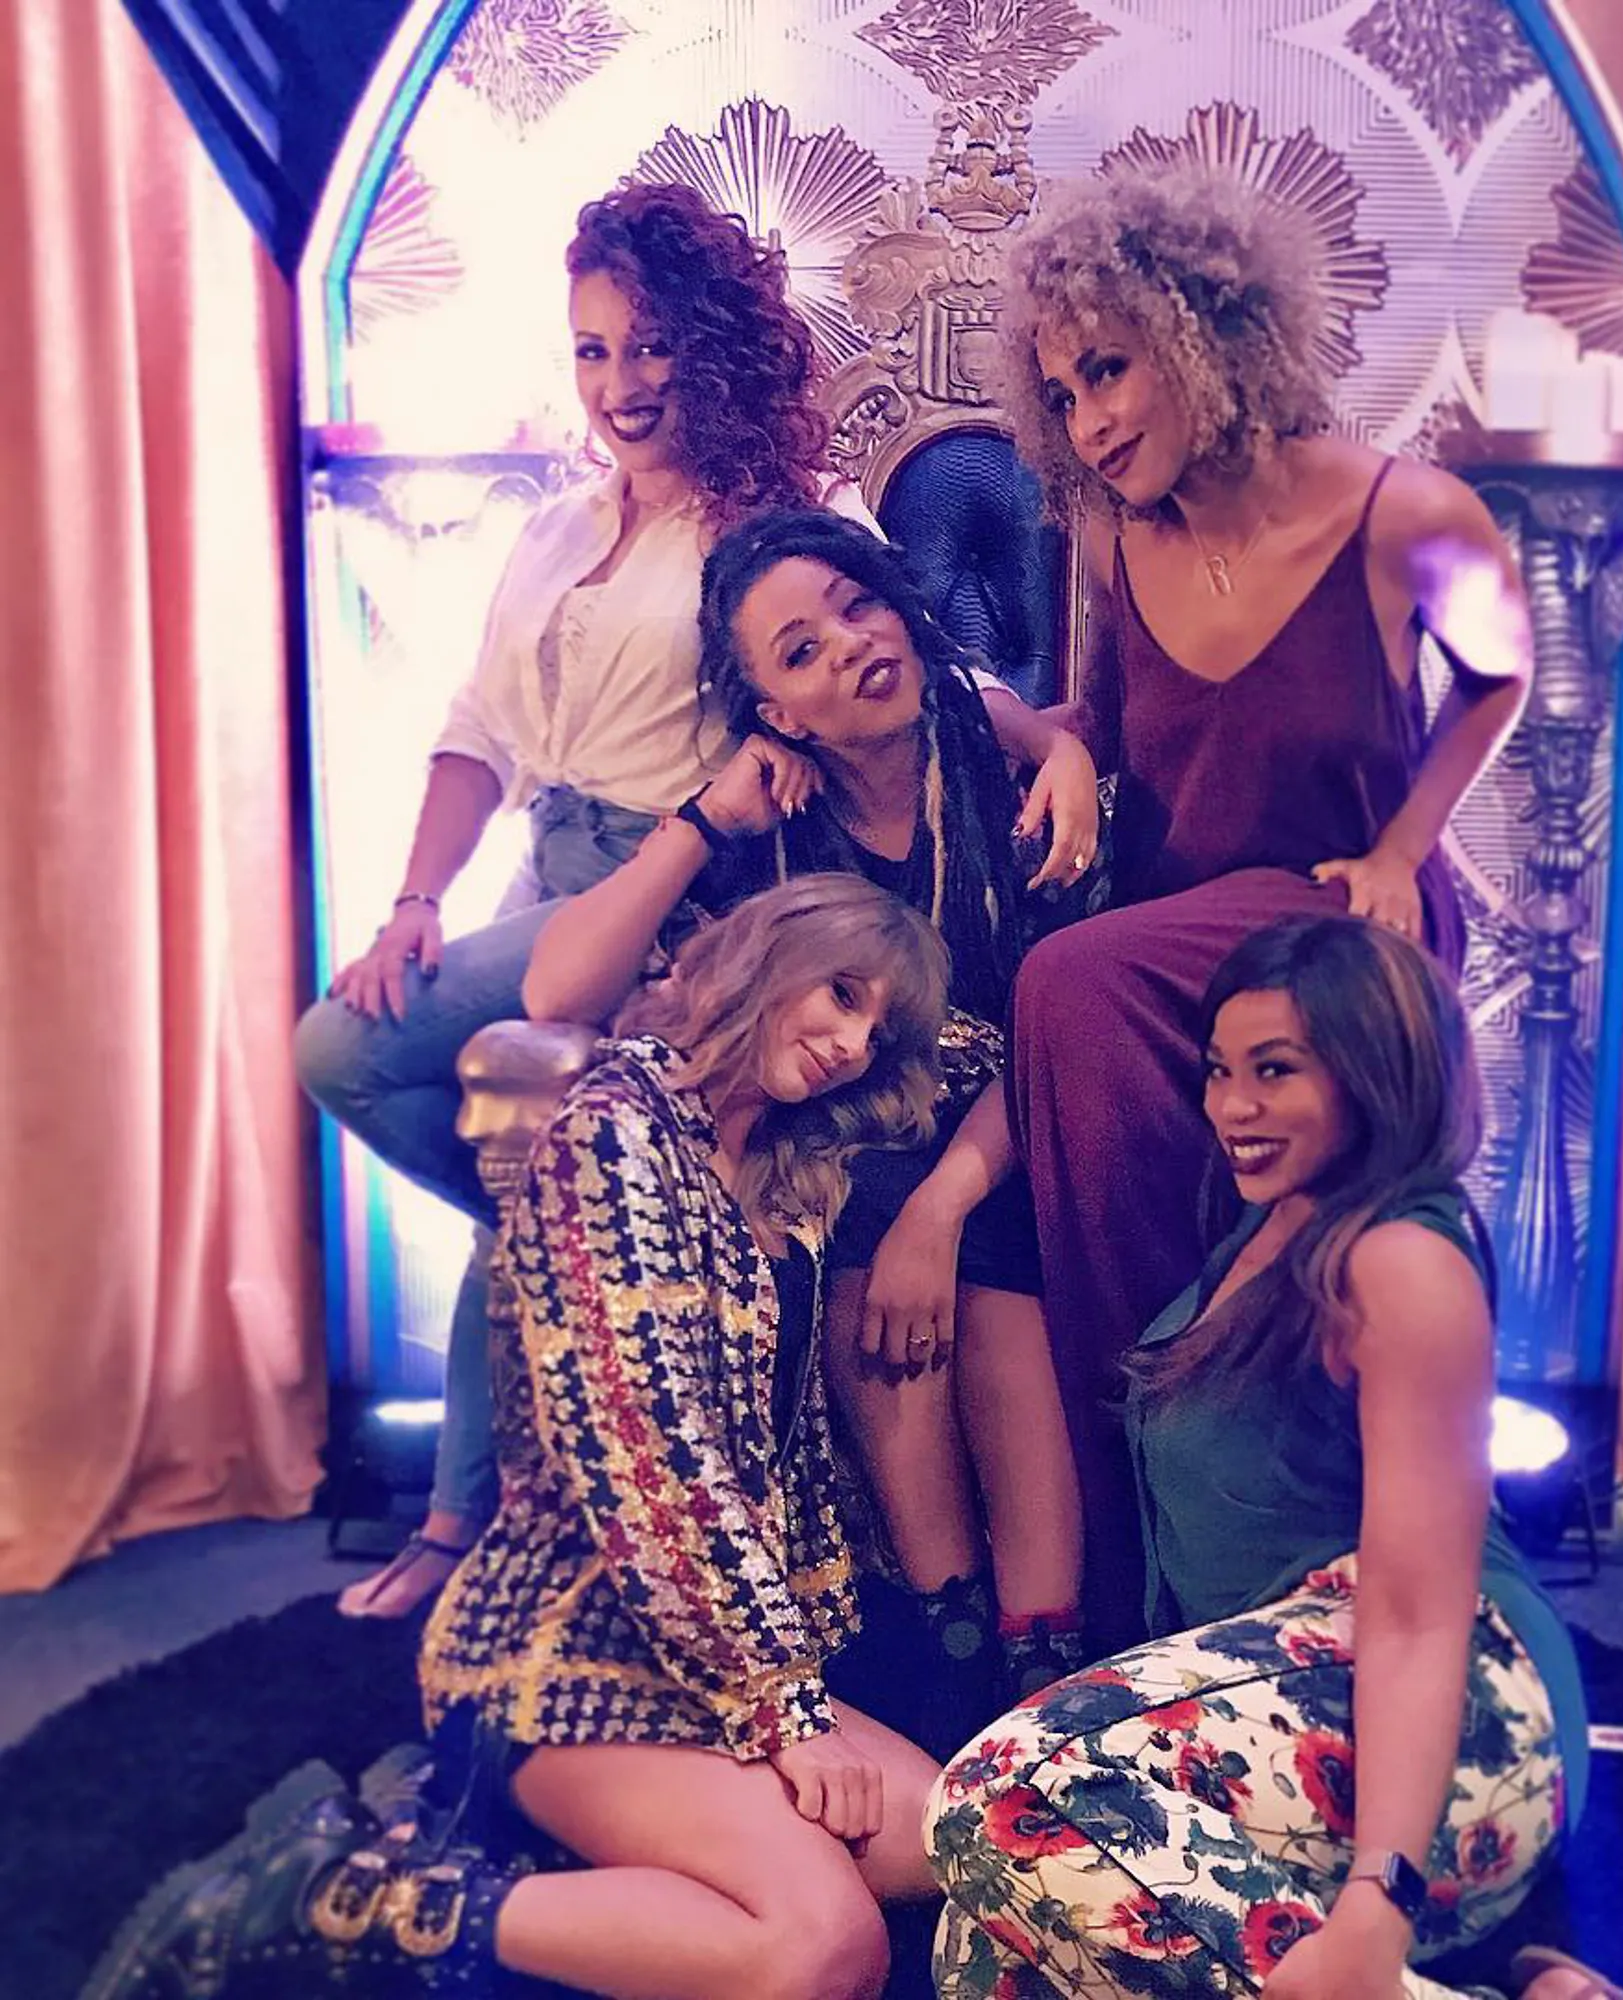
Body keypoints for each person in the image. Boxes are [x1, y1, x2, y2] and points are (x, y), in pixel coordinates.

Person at [297, 186, 1096, 1620]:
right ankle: (511, 1391)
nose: (620, 385)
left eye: (651, 347)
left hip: (681, 887)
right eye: (594, 351)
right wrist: (414, 898)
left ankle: (461, 1512)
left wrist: (1059, 736)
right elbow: (478, 725)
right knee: (429, 1096)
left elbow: (902, 670)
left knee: (485, 1111)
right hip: (555, 871)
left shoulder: (791, 516)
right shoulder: (557, 525)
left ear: (716, 347)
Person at [89, 875, 957, 2000]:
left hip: (702, 1658)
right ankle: (337, 1886)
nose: (848, 1041)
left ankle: (550, 1865)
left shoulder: (788, 1170)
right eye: (839, 992)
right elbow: (658, 1458)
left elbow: (979, 1049)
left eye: (876, 1030)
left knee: (944, 1838)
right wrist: (786, 1706)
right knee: (821, 1947)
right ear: (764, 958)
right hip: (561, 1641)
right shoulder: (611, 1135)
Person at [993, 162, 1535, 1643]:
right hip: (1186, 926)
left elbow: (1501, 674)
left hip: (1343, 917)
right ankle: (1140, 1495)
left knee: (1072, 988)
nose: (1092, 418)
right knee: (1073, 995)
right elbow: (1095, 711)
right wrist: (1077, 761)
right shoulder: (1112, 535)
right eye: (1066, 391)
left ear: (1208, 333)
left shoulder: (1403, 513)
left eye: (1111, 368)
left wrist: (1406, 847)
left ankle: (1198, 1464)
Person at [925, 915, 1613, 2000]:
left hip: (1457, 1717)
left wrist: (1377, 1898)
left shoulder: (1400, 1261)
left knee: (1000, 1796)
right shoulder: (1257, 1227)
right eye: (1217, 1072)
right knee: (981, 1950)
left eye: (1274, 1071)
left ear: (1372, 1071)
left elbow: (1415, 1612)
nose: (1230, 1107)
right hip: (1291, 1697)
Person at [523, 507, 1090, 1740]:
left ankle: (1041, 1652)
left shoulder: (995, 755)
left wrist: (1071, 749)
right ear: (776, 709)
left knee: (968, 1221)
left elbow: (1059, 1030)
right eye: (797, 651)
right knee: (862, 1198)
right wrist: (701, 819)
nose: (844, 645)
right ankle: (944, 1617)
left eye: (853, 603)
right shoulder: (770, 821)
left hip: (1023, 1115)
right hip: (843, 1147)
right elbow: (555, 992)